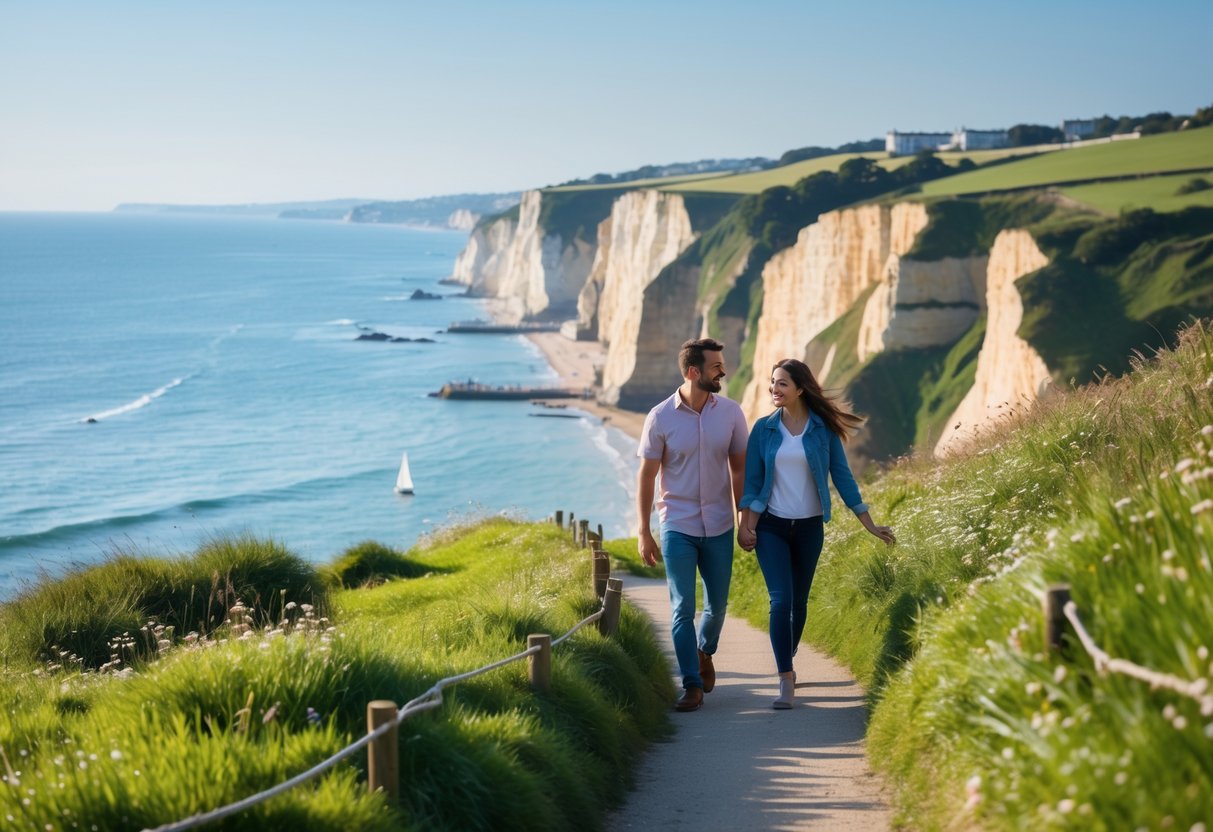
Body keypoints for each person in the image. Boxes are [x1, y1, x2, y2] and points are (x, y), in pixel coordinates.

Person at [737, 358, 894, 710]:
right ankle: (785, 678)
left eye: (781, 384)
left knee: (799, 603)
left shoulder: (822, 431)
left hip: (809, 528)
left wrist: (869, 523)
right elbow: (751, 483)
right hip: (771, 526)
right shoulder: (763, 429)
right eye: (772, 383)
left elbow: (844, 479)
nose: (773, 390)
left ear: (800, 389)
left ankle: (786, 655)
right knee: (780, 600)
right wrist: (745, 525)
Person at [637, 338, 748, 712]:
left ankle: (704, 651)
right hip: (677, 524)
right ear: (693, 372)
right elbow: (647, 475)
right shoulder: (659, 417)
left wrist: (744, 518)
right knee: (682, 607)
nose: (723, 371)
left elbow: (739, 469)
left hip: (719, 524)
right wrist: (643, 530)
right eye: (716, 366)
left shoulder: (731, 413)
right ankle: (691, 685)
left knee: (717, 607)